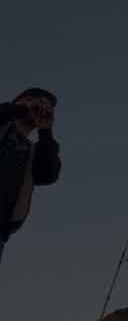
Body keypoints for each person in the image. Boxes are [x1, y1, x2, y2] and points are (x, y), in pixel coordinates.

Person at [0, 88, 61, 264]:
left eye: (47, 107)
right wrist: (18, 110)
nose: (41, 108)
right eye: (37, 102)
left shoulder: (34, 151)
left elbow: (48, 175)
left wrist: (46, 131)